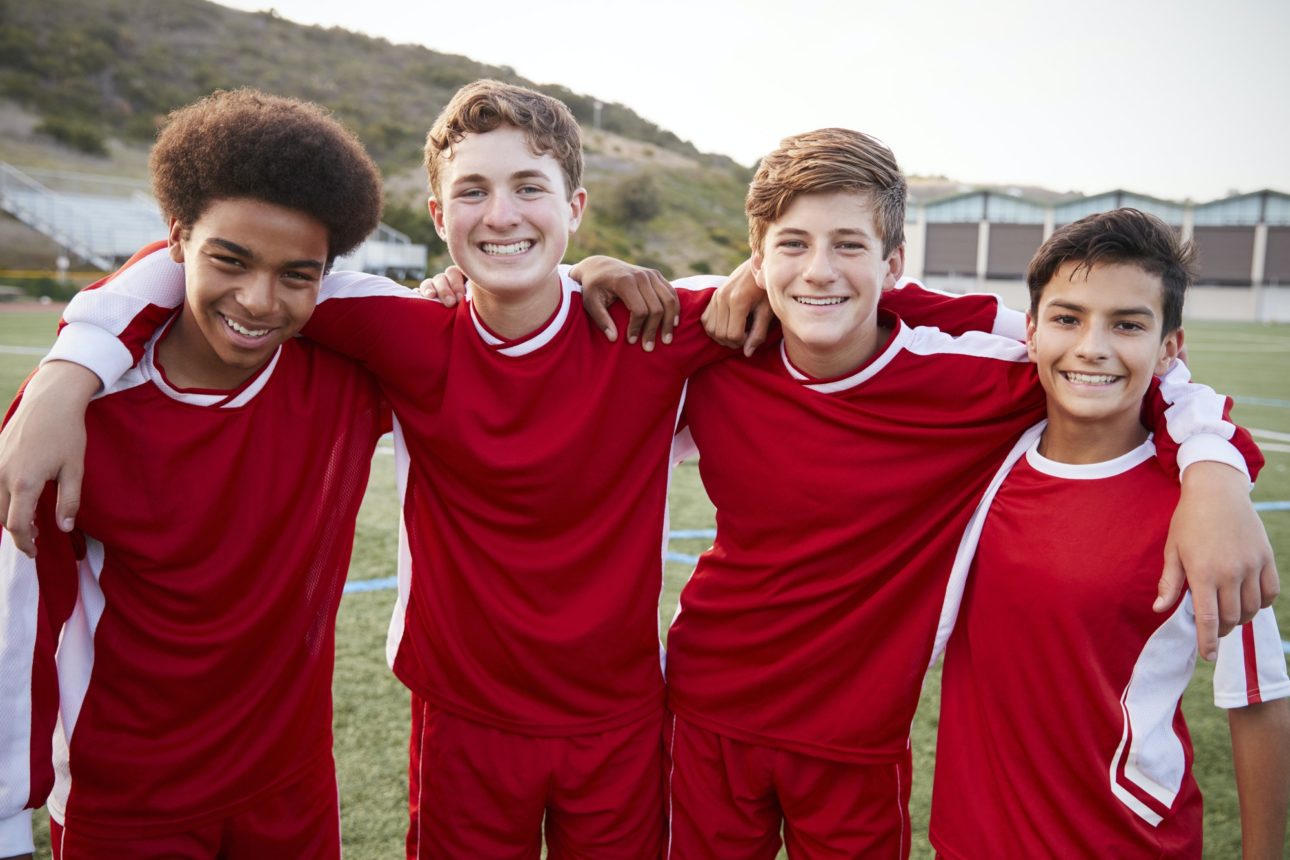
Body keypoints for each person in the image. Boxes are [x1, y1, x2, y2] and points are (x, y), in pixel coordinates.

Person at [0, 95, 1270, 857]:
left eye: (530, 188)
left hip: (652, 718)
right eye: (474, 192)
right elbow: (217, 256)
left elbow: (1099, 347)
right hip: (487, 710)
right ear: (439, 216)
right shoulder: (408, 326)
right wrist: (71, 362)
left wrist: (1211, 462)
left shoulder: (684, 330)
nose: (502, 214)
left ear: (577, 203)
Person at [655, 130, 1267, 858]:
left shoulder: (977, 369)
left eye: (849, 245)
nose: (820, 270)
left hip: (857, 741)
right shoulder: (716, 353)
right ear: (758, 260)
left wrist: (1213, 471)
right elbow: (572, 316)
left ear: (895, 266)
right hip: (706, 713)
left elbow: (1129, 362)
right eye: (792, 246)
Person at [0, 88, 388, 859]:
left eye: (296, 275)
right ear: (175, 237)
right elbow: (15, 627)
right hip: (130, 803)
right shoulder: (75, 423)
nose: (257, 299)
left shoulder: (349, 374)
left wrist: (598, 275)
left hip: (292, 788)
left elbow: (489, 314)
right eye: (230, 260)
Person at [929, 209, 1290, 858]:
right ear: (1032, 332)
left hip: (1128, 844)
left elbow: (1257, 699)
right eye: (1068, 318)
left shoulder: (1202, 511)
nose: (1093, 345)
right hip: (970, 839)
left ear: (1170, 349)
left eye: (1128, 324)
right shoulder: (980, 462)